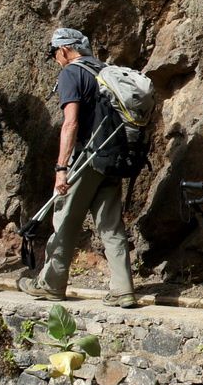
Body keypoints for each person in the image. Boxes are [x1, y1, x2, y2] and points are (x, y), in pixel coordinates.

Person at [16, 27, 139, 308]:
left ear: (64, 49)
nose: (55, 60)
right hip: (112, 157)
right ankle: (123, 289)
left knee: (65, 220)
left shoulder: (72, 72)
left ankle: (50, 284)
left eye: (54, 54)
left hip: (85, 159)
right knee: (111, 225)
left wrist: (61, 167)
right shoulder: (104, 70)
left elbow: (70, 123)